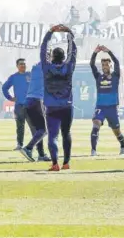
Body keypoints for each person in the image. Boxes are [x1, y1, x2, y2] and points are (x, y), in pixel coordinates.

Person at [40, 24, 77, 171]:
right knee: (66, 133)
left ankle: (55, 163)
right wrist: (69, 34)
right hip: (67, 106)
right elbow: (73, 52)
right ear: (63, 57)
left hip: (51, 107)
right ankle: (66, 162)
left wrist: (50, 32)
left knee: (53, 136)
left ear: (52, 56)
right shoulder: (69, 67)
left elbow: (43, 50)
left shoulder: (46, 67)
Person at [89, 45, 124, 156]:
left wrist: (108, 51)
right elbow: (91, 64)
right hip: (100, 107)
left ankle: (123, 146)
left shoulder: (115, 76)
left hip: (112, 108)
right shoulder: (98, 77)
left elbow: (117, 62)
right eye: (103, 65)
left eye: (107, 64)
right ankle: (93, 150)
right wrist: (95, 53)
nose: (104, 66)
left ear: (110, 65)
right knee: (96, 125)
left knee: (117, 131)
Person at [17, 61, 50, 162]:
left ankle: (41, 155)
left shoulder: (35, 68)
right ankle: (28, 148)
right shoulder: (47, 69)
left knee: (38, 131)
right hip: (36, 101)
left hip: (28, 102)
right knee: (44, 130)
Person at [2, 58, 30, 150]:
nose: (23, 65)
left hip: (31, 105)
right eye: (21, 64)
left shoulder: (31, 75)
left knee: (34, 127)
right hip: (19, 106)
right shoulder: (13, 77)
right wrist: (10, 98)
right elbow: (4, 88)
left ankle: (36, 146)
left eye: (24, 64)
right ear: (17, 66)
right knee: (20, 126)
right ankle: (19, 145)